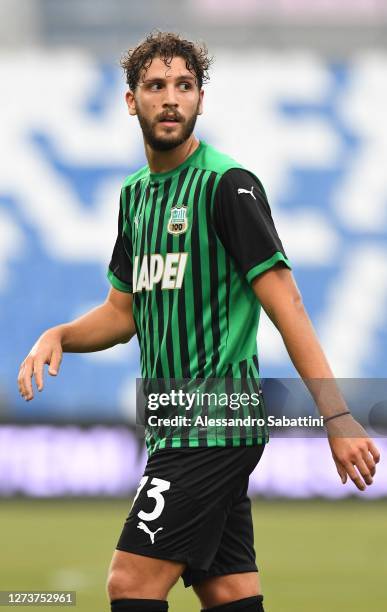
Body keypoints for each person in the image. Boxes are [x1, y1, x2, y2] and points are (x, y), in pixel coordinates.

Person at [17, 31, 380, 612]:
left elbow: (287, 305)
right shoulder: (136, 196)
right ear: (131, 101)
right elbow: (122, 312)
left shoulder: (227, 186)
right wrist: (58, 334)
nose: (171, 98)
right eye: (156, 86)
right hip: (175, 422)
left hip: (212, 423)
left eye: (184, 86)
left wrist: (336, 415)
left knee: (130, 583)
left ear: (200, 100)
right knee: (230, 591)